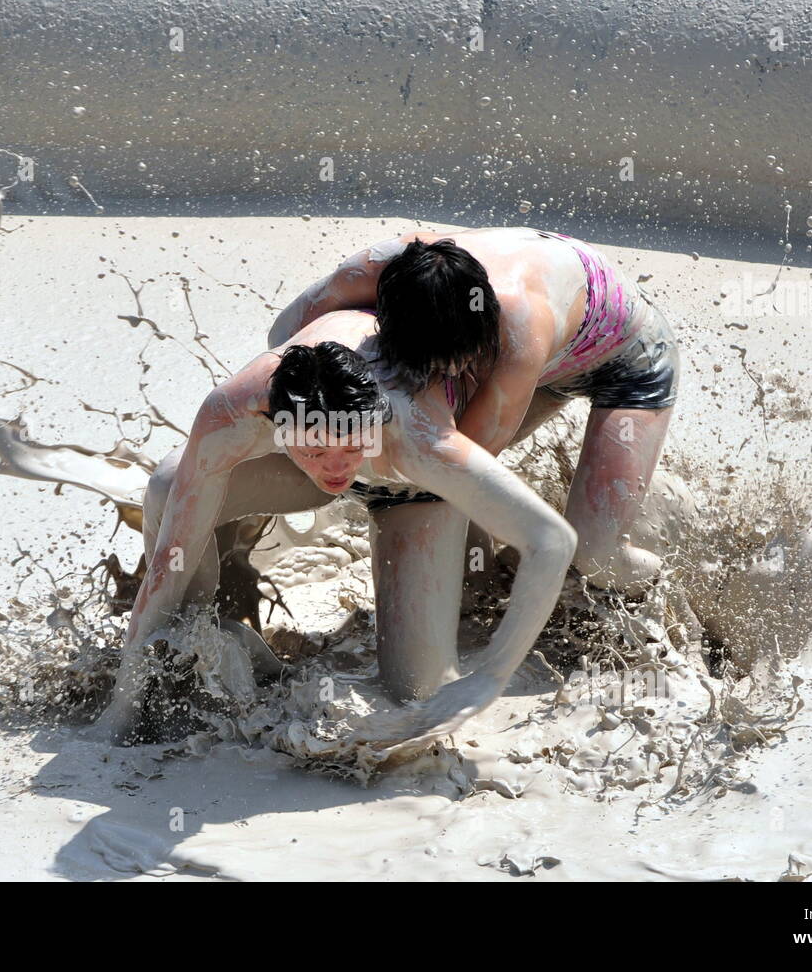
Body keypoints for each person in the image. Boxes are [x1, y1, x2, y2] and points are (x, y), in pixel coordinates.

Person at [90, 309, 579, 748]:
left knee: (415, 692)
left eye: (349, 445)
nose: (335, 465)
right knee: (169, 484)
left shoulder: (424, 443)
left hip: (416, 491)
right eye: (314, 448)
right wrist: (120, 708)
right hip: (306, 467)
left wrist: (490, 677)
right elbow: (166, 567)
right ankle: (203, 641)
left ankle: (473, 560)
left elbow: (552, 539)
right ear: (276, 424)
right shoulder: (233, 410)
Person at [266, 226, 680, 593]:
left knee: (596, 554)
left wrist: (363, 474)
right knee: (447, 491)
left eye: (460, 364)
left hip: (628, 362)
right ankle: (485, 583)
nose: (450, 374)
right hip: (548, 343)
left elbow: (466, 463)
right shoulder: (369, 272)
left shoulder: (520, 323)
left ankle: (670, 590)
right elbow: (283, 339)